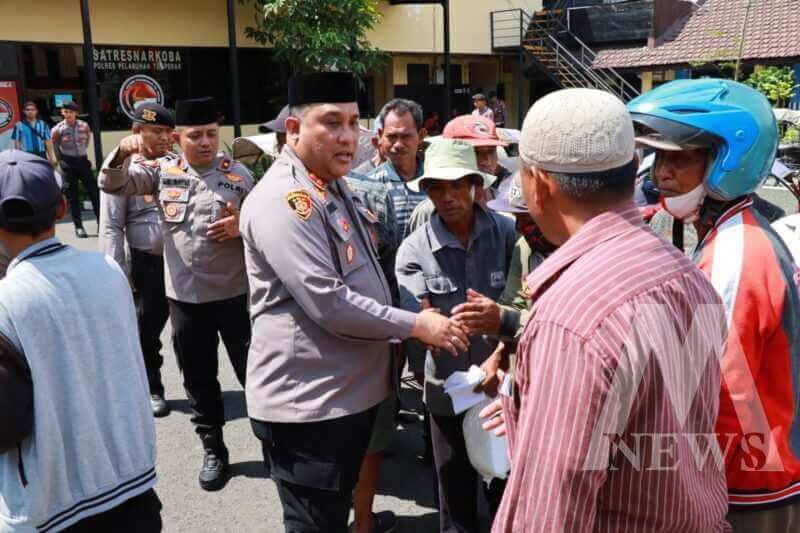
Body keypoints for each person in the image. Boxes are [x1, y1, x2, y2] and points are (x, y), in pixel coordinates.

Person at [481, 88, 730, 532]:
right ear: (635, 168)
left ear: (538, 183)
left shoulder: (571, 317)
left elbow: (550, 509)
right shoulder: (684, 273)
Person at [240, 71, 469, 533]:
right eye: (331, 123)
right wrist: (415, 325)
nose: (347, 137)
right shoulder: (287, 200)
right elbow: (329, 302)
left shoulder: (330, 182)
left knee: (333, 512)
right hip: (309, 407)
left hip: (344, 398)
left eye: (352, 122)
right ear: (293, 130)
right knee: (314, 523)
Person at [629, 78, 800, 532]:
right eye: (658, 156)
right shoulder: (729, 233)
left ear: (728, 160)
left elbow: (719, 388)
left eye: (677, 157)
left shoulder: (736, 252)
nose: (658, 172)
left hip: (747, 483)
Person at [0, 150, 161, 532]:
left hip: (52, 504)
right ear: (62, 207)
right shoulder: (106, 269)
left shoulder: (6, 299)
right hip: (130, 480)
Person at [99, 97, 254, 492]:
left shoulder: (239, 176)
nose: (205, 143)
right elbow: (111, 183)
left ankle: (275, 442)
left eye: (211, 135)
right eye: (195, 135)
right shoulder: (161, 173)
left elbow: (269, 230)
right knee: (199, 379)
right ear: (177, 138)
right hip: (185, 298)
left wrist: (243, 228)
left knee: (254, 375)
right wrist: (120, 151)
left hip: (234, 294)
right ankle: (214, 448)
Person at [395, 139, 516, 532]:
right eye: (436, 188)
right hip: (447, 389)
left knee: (507, 482)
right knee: (454, 491)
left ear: (475, 186)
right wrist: (436, 329)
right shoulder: (413, 249)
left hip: (503, 386)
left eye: (455, 186)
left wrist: (499, 349)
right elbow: (418, 317)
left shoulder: (508, 232)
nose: (446, 198)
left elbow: (528, 302)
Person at [345, 97, 430, 531]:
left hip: (430, 306)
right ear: (379, 137)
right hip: (384, 310)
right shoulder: (363, 185)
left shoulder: (437, 180)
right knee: (384, 386)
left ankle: (434, 449)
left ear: (421, 136)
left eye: (406, 136)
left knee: (434, 381)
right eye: (390, 136)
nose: (398, 144)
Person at [99, 102, 175, 418]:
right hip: (147, 265)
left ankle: (199, 386)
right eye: (155, 131)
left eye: (167, 132)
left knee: (188, 332)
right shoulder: (120, 167)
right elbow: (112, 225)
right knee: (146, 331)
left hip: (181, 263)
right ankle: (152, 387)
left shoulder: (176, 163)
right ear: (136, 132)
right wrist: (118, 271)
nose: (163, 138)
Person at [451, 173, 556, 346]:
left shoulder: (585, 255)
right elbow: (515, 302)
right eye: (516, 218)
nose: (518, 227)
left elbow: (564, 328)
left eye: (527, 218)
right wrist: (491, 315)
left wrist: (506, 320)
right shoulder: (525, 248)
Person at [407, 114, 511, 233]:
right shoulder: (428, 212)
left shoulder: (504, 205)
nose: (486, 161)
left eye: (491, 151)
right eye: (476, 152)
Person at [51, 101, 100, 239]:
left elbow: (87, 141)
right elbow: (55, 145)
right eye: (65, 112)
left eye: (71, 112)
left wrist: (81, 154)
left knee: (94, 193)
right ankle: (79, 226)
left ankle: (101, 224)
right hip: (68, 163)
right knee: (73, 197)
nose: (68, 114)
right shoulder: (57, 129)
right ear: (62, 113)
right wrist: (61, 161)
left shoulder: (84, 126)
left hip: (83, 162)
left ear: (76, 113)